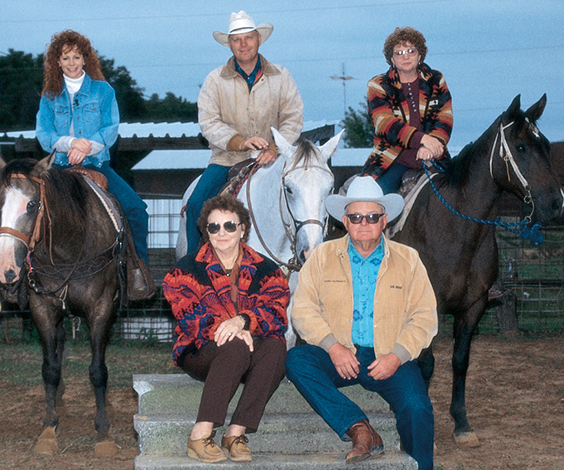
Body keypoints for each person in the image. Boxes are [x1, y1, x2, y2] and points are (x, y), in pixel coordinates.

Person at [284, 176, 438, 470]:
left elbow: (425, 316)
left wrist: (397, 356)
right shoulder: (321, 257)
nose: (363, 222)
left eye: (372, 216)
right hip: (342, 355)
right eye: (356, 216)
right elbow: (302, 309)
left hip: (389, 356)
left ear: (384, 220)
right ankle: (359, 428)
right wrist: (333, 347)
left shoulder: (409, 260)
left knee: (418, 409)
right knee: (297, 360)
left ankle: (422, 466)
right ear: (344, 220)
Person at [163, 195, 290, 463]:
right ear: (206, 231)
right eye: (214, 227)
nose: (222, 233)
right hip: (200, 352)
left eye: (230, 226)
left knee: (277, 347)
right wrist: (234, 328)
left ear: (243, 228)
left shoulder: (267, 270)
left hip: (247, 348)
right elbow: (190, 318)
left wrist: (244, 321)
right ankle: (200, 433)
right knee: (235, 344)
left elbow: (277, 313)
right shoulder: (184, 270)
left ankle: (235, 433)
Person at [185, 11, 303, 252]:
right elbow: (208, 121)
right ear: (229, 45)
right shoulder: (214, 80)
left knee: (305, 198)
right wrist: (239, 141)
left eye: (248, 37)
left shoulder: (281, 77)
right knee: (197, 204)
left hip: (273, 159)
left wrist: (274, 148)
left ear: (259, 39)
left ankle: (304, 256)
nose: (243, 44)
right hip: (226, 159)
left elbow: (292, 118)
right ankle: (192, 267)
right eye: (237, 39)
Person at [35, 30, 149, 266]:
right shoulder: (49, 96)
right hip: (59, 166)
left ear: (85, 59)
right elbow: (44, 135)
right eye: (65, 58)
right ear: (57, 62)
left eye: (76, 57)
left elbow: (110, 129)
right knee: (29, 214)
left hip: (96, 163)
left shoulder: (103, 91)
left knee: (136, 210)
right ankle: (27, 275)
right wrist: (70, 143)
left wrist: (85, 148)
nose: (71, 63)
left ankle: (138, 271)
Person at [362, 27, 453, 194]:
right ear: (392, 59)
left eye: (411, 50)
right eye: (399, 52)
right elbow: (386, 124)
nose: (406, 56)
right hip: (392, 159)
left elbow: (445, 117)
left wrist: (432, 145)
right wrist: (423, 140)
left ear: (420, 56)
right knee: (374, 201)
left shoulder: (436, 80)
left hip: (435, 157)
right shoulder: (378, 85)